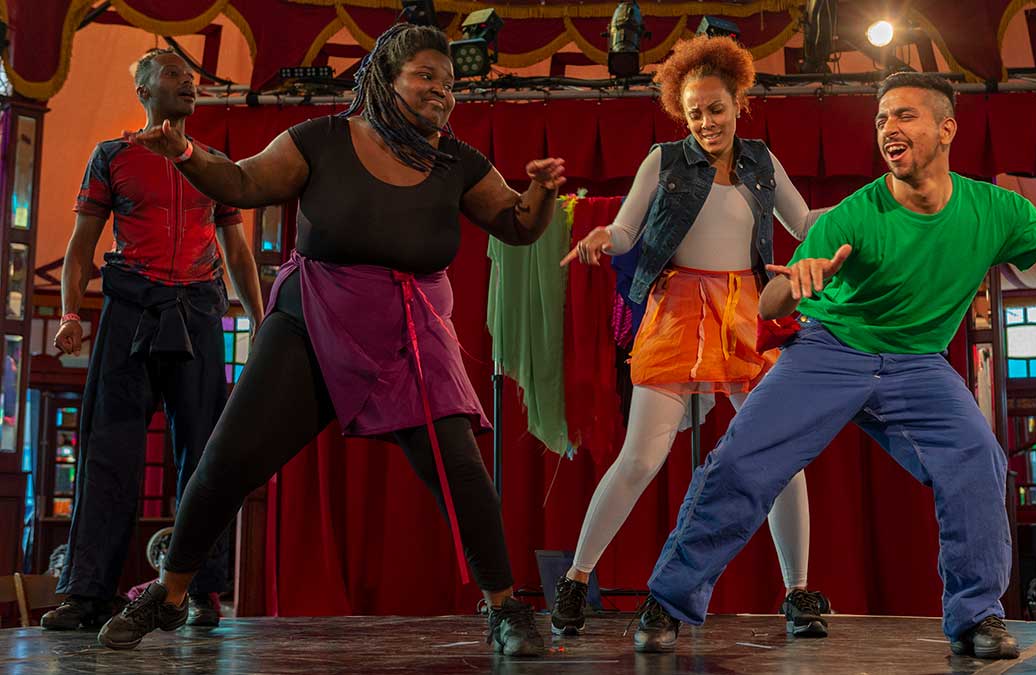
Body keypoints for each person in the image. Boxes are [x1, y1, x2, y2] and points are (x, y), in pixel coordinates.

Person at [629, 71, 1036, 659]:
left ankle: (977, 616)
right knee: (741, 461)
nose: (887, 130)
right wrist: (794, 285)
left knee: (977, 458)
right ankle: (668, 601)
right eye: (880, 120)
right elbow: (769, 302)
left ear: (946, 128)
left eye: (903, 116)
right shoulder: (855, 214)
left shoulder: (996, 210)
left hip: (916, 364)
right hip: (831, 350)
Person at [95, 24, 565, 657]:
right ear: (386, 80)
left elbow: (517, 225)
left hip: (408, 330)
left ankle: (505, 609)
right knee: (228, 459)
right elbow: (242, 183)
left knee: (461, 471)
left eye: (449, 83)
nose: (441, 92)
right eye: (426, 76)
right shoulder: (320, 140)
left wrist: (538, 190)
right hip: (312, 321)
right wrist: (185, 154)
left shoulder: (456, 162)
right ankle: (170, 592)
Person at [554, 35, 829, 644]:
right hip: (678, 309)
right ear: (682, 112)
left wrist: (867, 215)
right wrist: (605, 236)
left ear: (739, 104)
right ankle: (575, 580)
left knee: (780, 459)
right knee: (641, 458)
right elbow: (628, 231)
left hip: (747, 313)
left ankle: (797, 590)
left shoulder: (761, 161)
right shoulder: (664, 160)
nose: (706, 120)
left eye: (716, 108)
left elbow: (806, 223)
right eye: (694, 110)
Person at [42, 49, 263, 632]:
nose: (188, 83)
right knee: (109, 452)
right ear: (144, 89)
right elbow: (81, 246)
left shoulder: (212, 162)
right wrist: (69, 314)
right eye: (172, 75)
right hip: (131, 313)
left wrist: (262, 322)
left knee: (206, 457)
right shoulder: (112, 157)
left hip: (197, 312)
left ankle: (200, 591)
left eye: (191, 78)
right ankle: (88, 595)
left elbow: (236, 252)